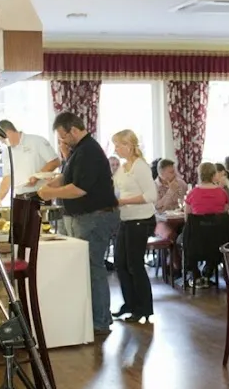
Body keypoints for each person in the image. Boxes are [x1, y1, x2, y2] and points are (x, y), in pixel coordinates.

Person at [38, 112, 119, 336]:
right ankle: (91, 317)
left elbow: (79, 189)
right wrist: (50, 185)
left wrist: (50, 192)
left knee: (93, 268)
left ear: (74, 130)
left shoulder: (89, 151)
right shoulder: (79, 151)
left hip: (95, 217)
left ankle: (100, 320)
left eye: (63, 136)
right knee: (88, 268)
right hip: (85, 217)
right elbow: (67, 177)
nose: (62, 141)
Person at [111, 130, 157, 324]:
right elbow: (115, 190)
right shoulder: (122, 168)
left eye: (118, 145)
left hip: (141, 220)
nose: (115, 149)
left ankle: (143, 308)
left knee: (134, 265)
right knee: (120, 264)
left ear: (129, 146)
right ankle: (130, 304)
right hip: (127, 219)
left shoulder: (140, 167)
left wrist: (124, 202)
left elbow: (151, 195)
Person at [0, 119, 60, 207]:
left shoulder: (36, 141)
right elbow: (6, 179)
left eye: (2, 139)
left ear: (8, 132)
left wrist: (37, 176)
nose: (2, 142)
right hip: (19, 198)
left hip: (39, 195)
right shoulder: (6, 152)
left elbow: (55, 162)